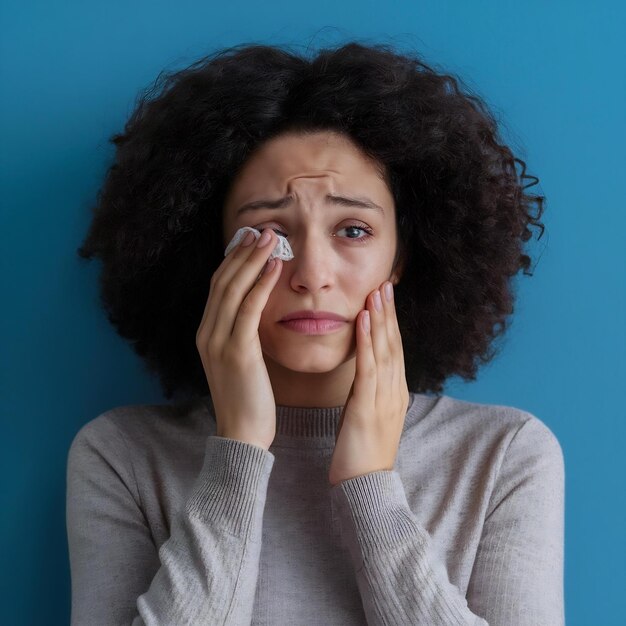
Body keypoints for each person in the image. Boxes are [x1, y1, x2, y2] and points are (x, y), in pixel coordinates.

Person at [66, 41, 565, 625]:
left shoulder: (504, 457)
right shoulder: (121, 456)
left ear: (401, 256)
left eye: (353, 230)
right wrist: (241, 450)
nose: (311, 276)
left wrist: (372, 488)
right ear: (212, 256)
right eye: (269, 234)